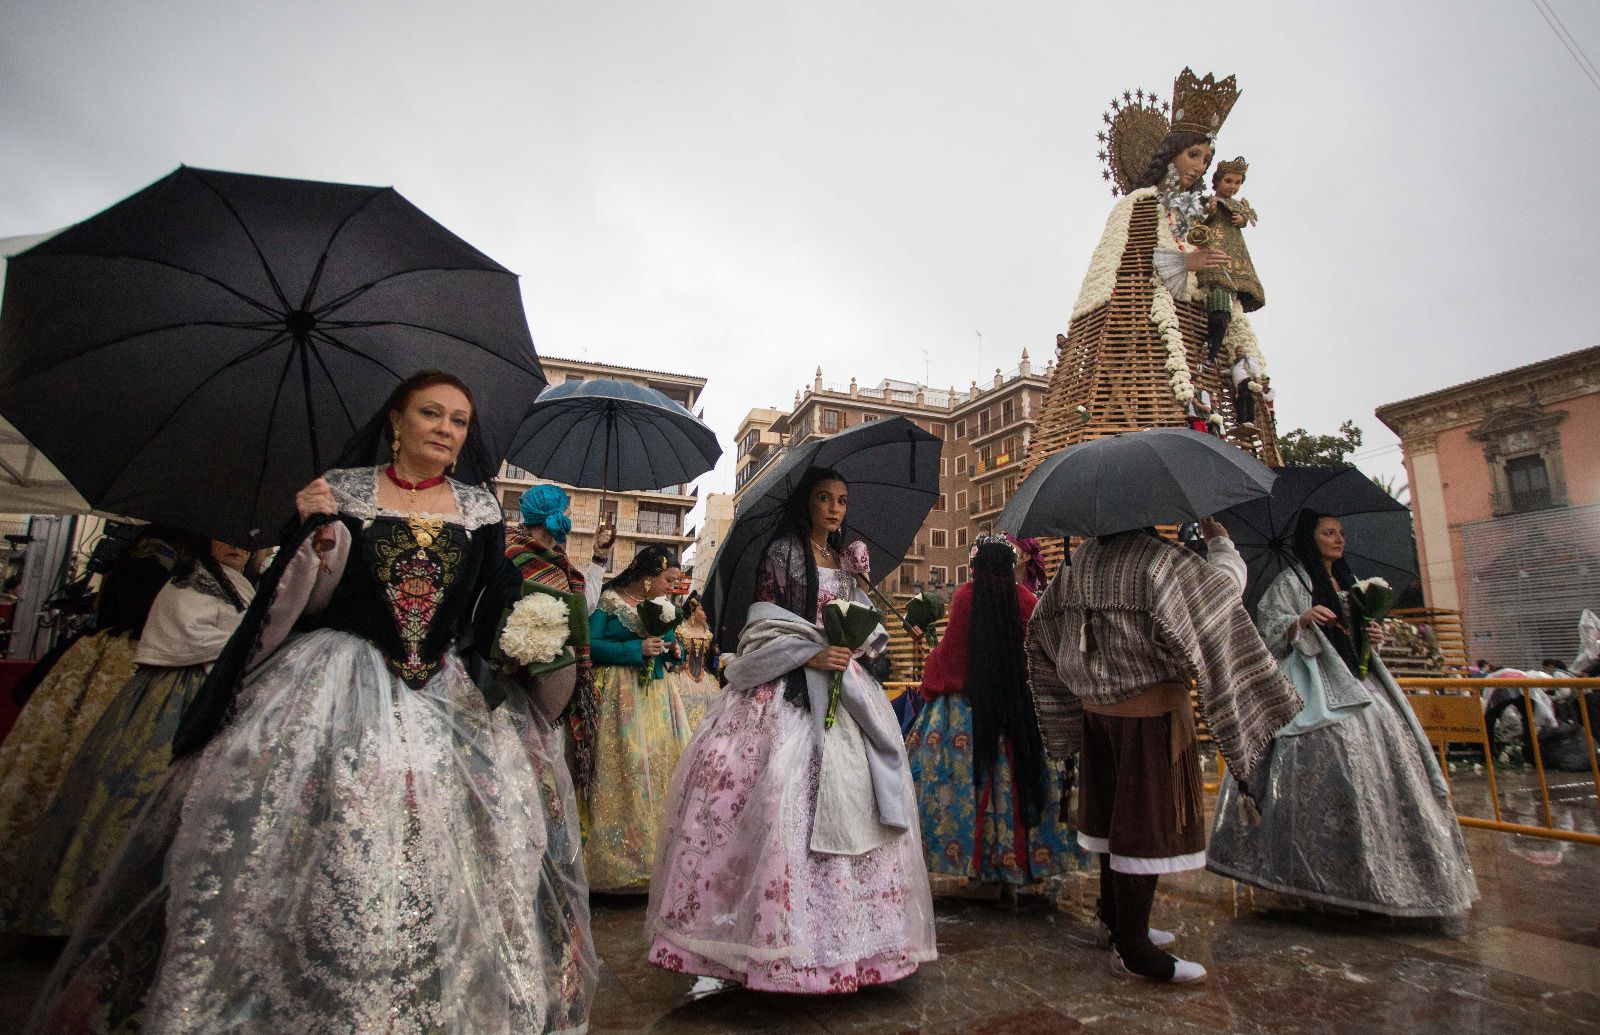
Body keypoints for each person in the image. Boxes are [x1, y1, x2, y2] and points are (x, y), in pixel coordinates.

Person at [29, 370, 596, 1034]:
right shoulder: (342, 492)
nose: (445, 429)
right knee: (323, 839)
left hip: (445, 697)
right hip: (339, 684)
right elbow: (305, 600)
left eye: (458, 420)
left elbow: (481, 608)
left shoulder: (478, 509)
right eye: (431, 414)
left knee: (449, 849)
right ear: (396, 420)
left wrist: (532, 628)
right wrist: (314, 541)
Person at [645, 467, 936, 992]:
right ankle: (772, 942)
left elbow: (864, 625)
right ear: (807, 502)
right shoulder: (782, 552)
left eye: (842, 501)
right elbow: (766, 623)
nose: (834, 509)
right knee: (779, 800)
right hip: (787, 692)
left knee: (855, 795)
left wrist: (864, 637)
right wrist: (812, 651)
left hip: (846, 692)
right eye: (824, 498)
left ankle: (854, 942)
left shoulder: (850, 558)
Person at [1029, 518, 1300, 984]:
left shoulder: (1079, 562)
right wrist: (1221, 544)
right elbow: (1218, 597)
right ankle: (1134, 949)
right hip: (1148, 714)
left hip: (1098, 714)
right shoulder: (1158, 561)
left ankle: (1115, 922)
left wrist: (1085, 672)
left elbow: (1041, 627)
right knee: (1144, 824)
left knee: (1113, 821)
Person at [1207, 510, 1478, 919]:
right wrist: (1300, 620)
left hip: (1358, 686)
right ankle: (1308, 874)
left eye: (1340, 533)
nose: (1338, 539)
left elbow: (1357, 646)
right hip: (1311, 688)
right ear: (1310, 538)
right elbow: (1269, 631)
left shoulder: (1352, 586)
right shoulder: (1292, 581)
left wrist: (1374, 636)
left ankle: (1386, 873)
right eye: (1328, 532)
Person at [0, 538, 253, 937]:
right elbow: (186, 632)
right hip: (169, 690)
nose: (240, 547)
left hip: (214, 693)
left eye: (246, 543)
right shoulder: (185, 578)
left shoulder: (238, 584)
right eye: (230, 540)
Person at [0, 526, 181, 897]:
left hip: (97, 656)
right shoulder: (162, 570)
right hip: (131, 661)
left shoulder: (132, 560)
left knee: (55, 756)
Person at [905, 536, 1082, 898]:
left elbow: (952, 656)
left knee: (966, 788)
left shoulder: (965, 598)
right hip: (1020, 712)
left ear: (975, 568)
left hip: (966, 715)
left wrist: (932, 657)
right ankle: (1024, 868)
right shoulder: (1025, 599)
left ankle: (976, 868)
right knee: (1021, 784)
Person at [585, 543, 690, 892]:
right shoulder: (610, 601)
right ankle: (623, 861)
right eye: (668, 579)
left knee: (662, 768)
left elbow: (672, 645)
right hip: (621, 697)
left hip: (659, 700)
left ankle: (660, 858)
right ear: (648, 577)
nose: (671, 587)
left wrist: (676, 651)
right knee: (627, 767)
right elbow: (588, 643)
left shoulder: (662, 608)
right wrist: (634, 649)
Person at [507, 483, 613, 793]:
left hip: (553, 692)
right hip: (513, 683)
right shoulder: (511, 552)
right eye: (565, 511)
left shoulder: (559, 562)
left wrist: (598, 558)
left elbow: (583, 607)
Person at [669, 591, 721, 731]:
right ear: (693, 609)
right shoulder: (679, 630)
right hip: (681, 678)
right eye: (702, 609)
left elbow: (713, 659)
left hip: (705, 681)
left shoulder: (709, 633)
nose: (706, 613)